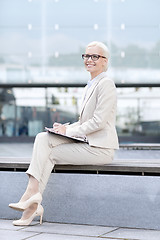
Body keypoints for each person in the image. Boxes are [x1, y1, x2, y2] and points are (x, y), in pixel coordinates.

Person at [9, 41, 119, 226]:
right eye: (86, 55)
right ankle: (31, 204)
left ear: (105, 61)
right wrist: (64, 127)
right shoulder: (91, 84)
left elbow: (98, 122)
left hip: (100, 148)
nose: (89, 59)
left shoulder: (106, 84)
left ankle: (30, 198)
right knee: (43, 138)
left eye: (94, 56)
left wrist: (68, 131)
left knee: (47, 150)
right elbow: (84, 122)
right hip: (88, 143)